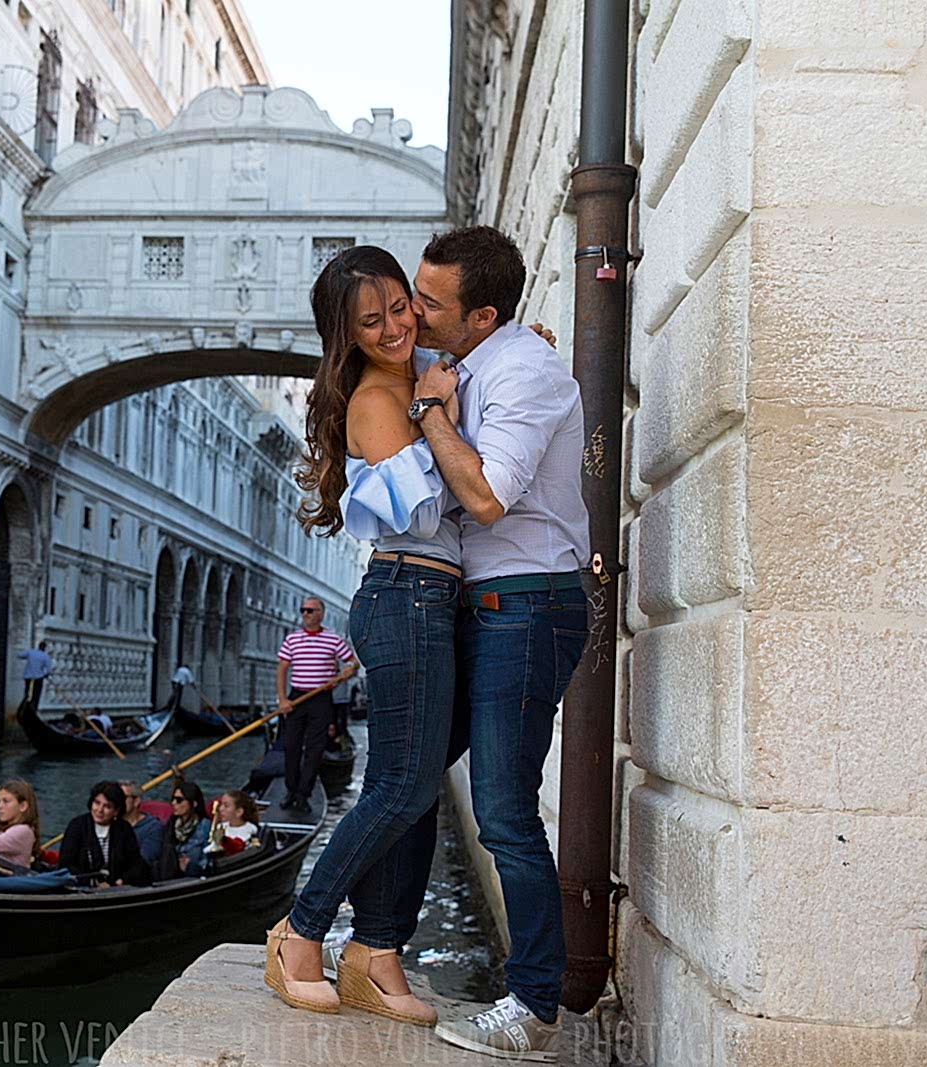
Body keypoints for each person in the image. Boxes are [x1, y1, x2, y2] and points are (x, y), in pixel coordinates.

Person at [263, 244, 464, 1024]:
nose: (393, 327)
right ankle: (300, 930)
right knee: (400, 787)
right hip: (405, 592)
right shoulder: (380, 400)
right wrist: (433, 409)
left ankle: (377, 955)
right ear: (347, 335)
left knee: (415, 793)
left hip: (430, 598)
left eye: (399, 306)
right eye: (371, 320)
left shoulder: (417, 377)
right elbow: (422, 511)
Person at [404, 226, 590, 1059]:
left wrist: (434, 412)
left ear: (482, 315)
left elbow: (484, 497)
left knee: (507, 812)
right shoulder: (470, 358)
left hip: (528, 606)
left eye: (430, 301)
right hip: (484, 608)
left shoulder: (525, 370)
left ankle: (535, 1003)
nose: (413, 310)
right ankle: (376, 944)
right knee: (404, 778)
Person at [275, 598, 358, 809]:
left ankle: (304, 795)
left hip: (321, 699)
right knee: (291, 746)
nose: (305, 614)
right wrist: (283, 699)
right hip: (297, 697)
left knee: (315, 748)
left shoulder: (332, 639)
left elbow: (352, 661)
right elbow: (282, 669)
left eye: (310, 610)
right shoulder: (292, 639)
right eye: (303, 610)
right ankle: (291, 791)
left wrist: (349, 669)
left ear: (321, 614)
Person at [56, 780, 151, 887]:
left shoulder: (123, 829)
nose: (100, 810)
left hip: (117, 888)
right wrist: (92, 883)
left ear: (116, 810)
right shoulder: (77, 826)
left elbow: (136, 864)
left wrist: (120, 881)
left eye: (107, 806)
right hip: (82, 887)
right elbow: (66, 864)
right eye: (97, 803)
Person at [159, 781, 211, 878]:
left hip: (193, 878)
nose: (173, 803)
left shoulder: (205, 827)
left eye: (179, 800)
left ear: (194, 803)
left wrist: (190, 867)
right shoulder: (170, 825)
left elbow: (208, 861)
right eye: (173, 799)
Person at [119, 780, 164, 865]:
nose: (118, 801)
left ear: (136, 801)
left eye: (122, 797)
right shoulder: (111, 823)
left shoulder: (153, 828)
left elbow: (145, 860)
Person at [16, 641, 53, 709]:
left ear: (38, 646)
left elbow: (19, 655)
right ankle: (33, 709)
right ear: (44, 648)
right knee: (36, 695)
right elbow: (49, 670)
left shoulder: (30, 652)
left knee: (27, 693)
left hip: (28, 676)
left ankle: (24, 707)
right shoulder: (45, 656)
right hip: (38, 678)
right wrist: (46, 675)